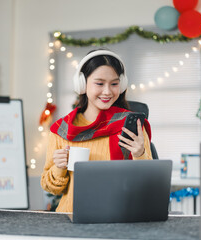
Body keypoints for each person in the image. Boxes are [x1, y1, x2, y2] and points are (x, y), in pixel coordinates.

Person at [41, 49, 153, 212]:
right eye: (99, 83)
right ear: (82, 84)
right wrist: (59, 166)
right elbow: (50, 188)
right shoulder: (62, 129)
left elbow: (148, 184)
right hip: (71, 219)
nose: (107, 91)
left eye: (114, 84)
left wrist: (139, 154)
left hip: (119, 217)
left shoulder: (132, 126)